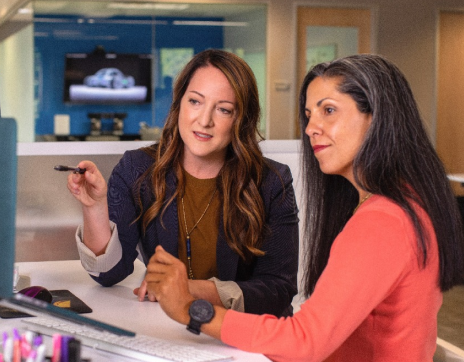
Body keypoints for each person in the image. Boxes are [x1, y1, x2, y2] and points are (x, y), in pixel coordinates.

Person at [144, 54, 464, 361]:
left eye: (328, 111)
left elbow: (305, 341)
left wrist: (192, 310)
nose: (311, 127)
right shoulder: (409, 201)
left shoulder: (382, 221)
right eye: (309, 114)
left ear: (377, 117)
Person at [66, 49, 299, 317]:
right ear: (179, 104)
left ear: (241, 120)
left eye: (223, 109)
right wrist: (95, 207)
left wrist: (186, 289)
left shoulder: (272, 182)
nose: (204, 120)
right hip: (167, 329)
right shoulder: (138, 169)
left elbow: (278, 290)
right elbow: (108, 274)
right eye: (195, 102)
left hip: (242, 335)